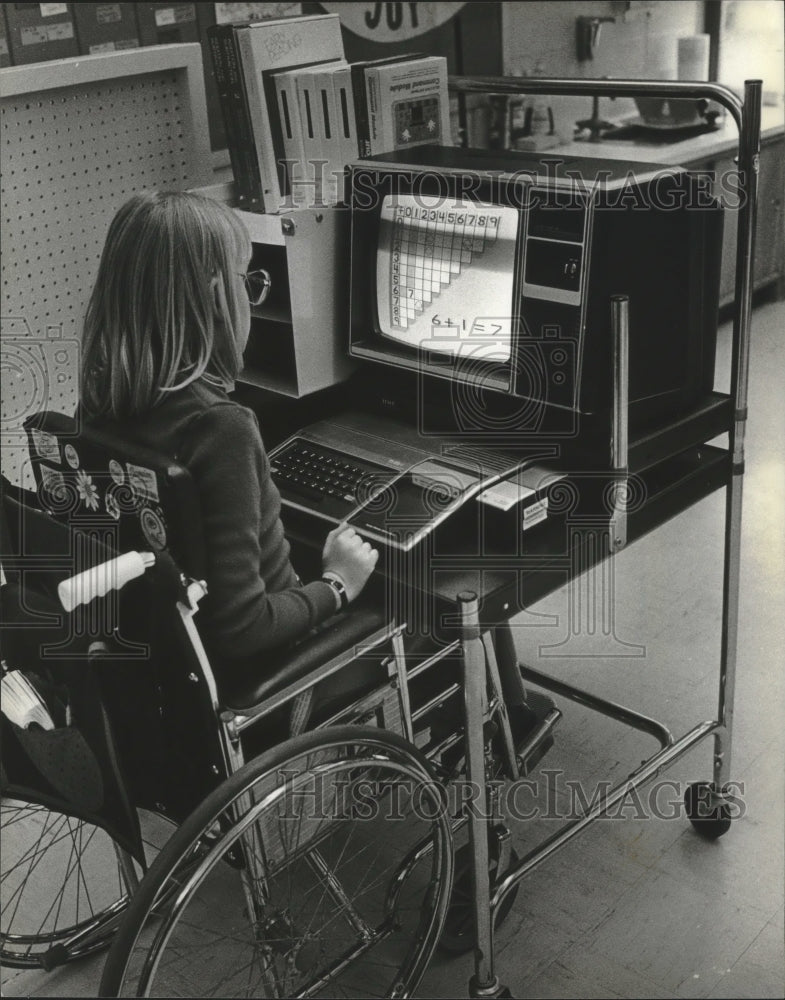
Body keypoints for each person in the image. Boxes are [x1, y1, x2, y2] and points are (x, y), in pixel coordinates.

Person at [79, 190, 379, 669]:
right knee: (428, 609)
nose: (251, 296)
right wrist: (338, 584)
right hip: (277, 680)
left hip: (168, 666)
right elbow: (244, 628)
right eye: (248, 281)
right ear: (218, 295)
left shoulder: (98, 400)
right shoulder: (221, 428)